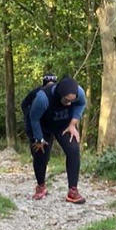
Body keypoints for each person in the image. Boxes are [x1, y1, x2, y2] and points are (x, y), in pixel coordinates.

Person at [20, 75, 87, 203]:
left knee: (73, 150)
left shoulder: (79, 92)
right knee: (40, 153)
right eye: (67, 100)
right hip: (41, 125)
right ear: (59, 95)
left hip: (63, 125)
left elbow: (81, 104)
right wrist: (38, 139)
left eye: (72, 100)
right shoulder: (42, 98)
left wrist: (73, 124)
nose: (69, 103)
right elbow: (34, 118)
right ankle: (41, 186)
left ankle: (72, 191)